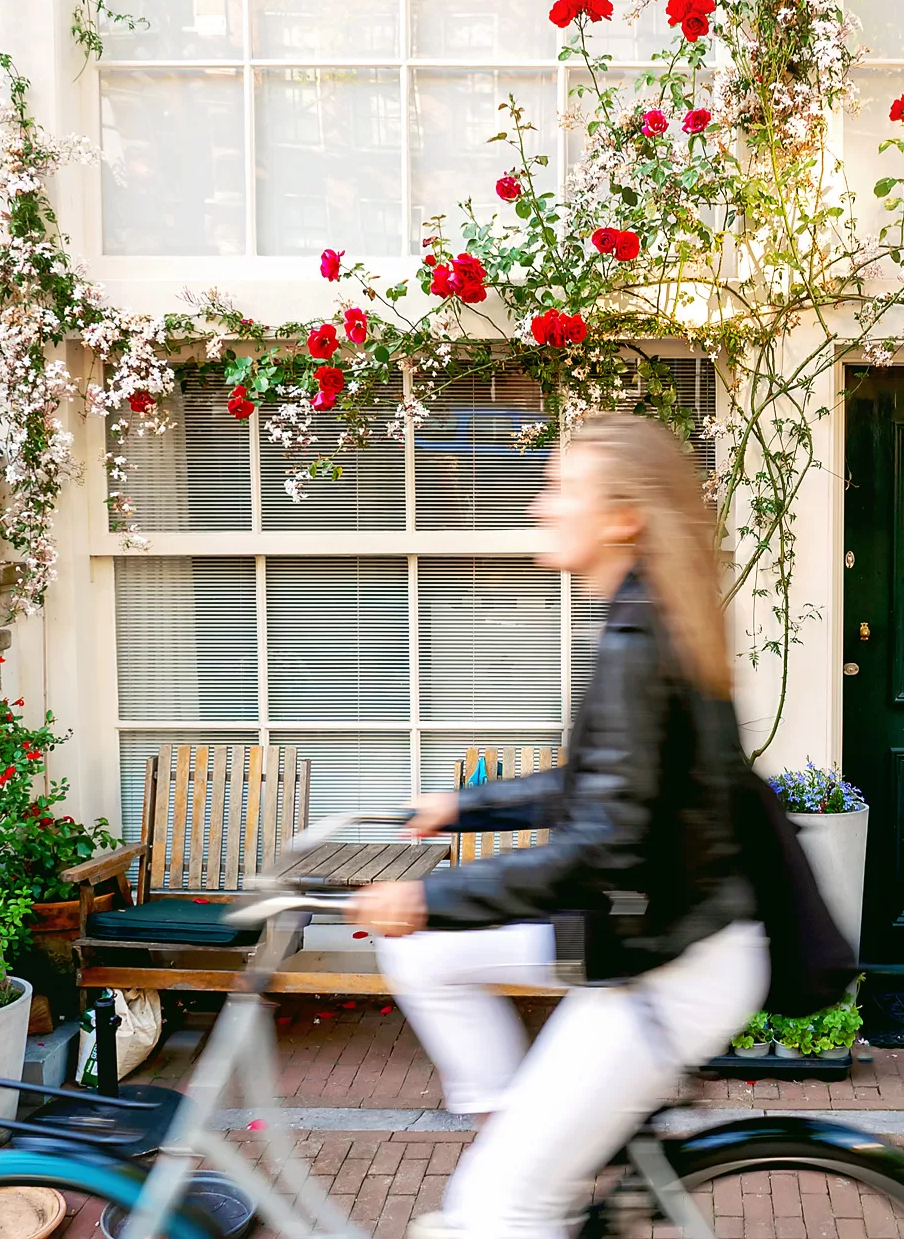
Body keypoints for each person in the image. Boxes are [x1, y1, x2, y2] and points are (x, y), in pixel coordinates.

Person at [352, 411, 770, 1239]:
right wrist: (462, 806)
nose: (542, 506)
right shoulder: (636, 621)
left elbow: (600, 845)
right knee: (422, 955)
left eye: (559, 489)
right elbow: (595, 792)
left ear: (624, 517)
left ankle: (520, 1179)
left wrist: (431, 895)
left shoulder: (640, 639)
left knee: (498, 1207)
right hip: (642, 930)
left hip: (668, 966)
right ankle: (523, 1126)